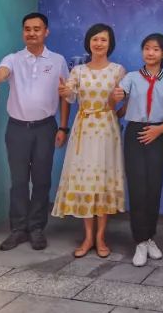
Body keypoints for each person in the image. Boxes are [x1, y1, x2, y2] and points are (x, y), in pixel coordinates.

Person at [0, 12, 68, 251]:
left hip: (45, 128)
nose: (31, 33)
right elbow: (0, 73)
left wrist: (63, 126)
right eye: (27, 29)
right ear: (23, 32)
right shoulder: (13, 59)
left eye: (37, 29)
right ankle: (18, 229)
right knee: (19, 181)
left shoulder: (58, 61)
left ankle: (37, 228)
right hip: (17, 129)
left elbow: (65, 95)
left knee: (42, 180)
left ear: (46, 32)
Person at [52, 23, 127, 257]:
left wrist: (117, 110)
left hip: (106, 130)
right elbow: (70, 94)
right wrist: (66, 92)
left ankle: (100, 237)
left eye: (103, 39)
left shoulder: (118, 70)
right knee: (85, 182)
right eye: (95, 39)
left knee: (102, 182)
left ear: (110, 44)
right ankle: (87, 237)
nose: (99, 43)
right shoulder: (78, 71)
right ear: (88, 42)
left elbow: (126, 99)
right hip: (83, 130)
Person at [117, 33, 163, 267]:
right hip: (135, 132)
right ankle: (140, 241)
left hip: (158, 132)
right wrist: (116, 95)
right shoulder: (131, 77)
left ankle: (150, 237)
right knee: (137, 187)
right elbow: (119, 97)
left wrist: (161, 129)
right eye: (146, 48)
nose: (150, 52)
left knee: (154, 187)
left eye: (156, 49)